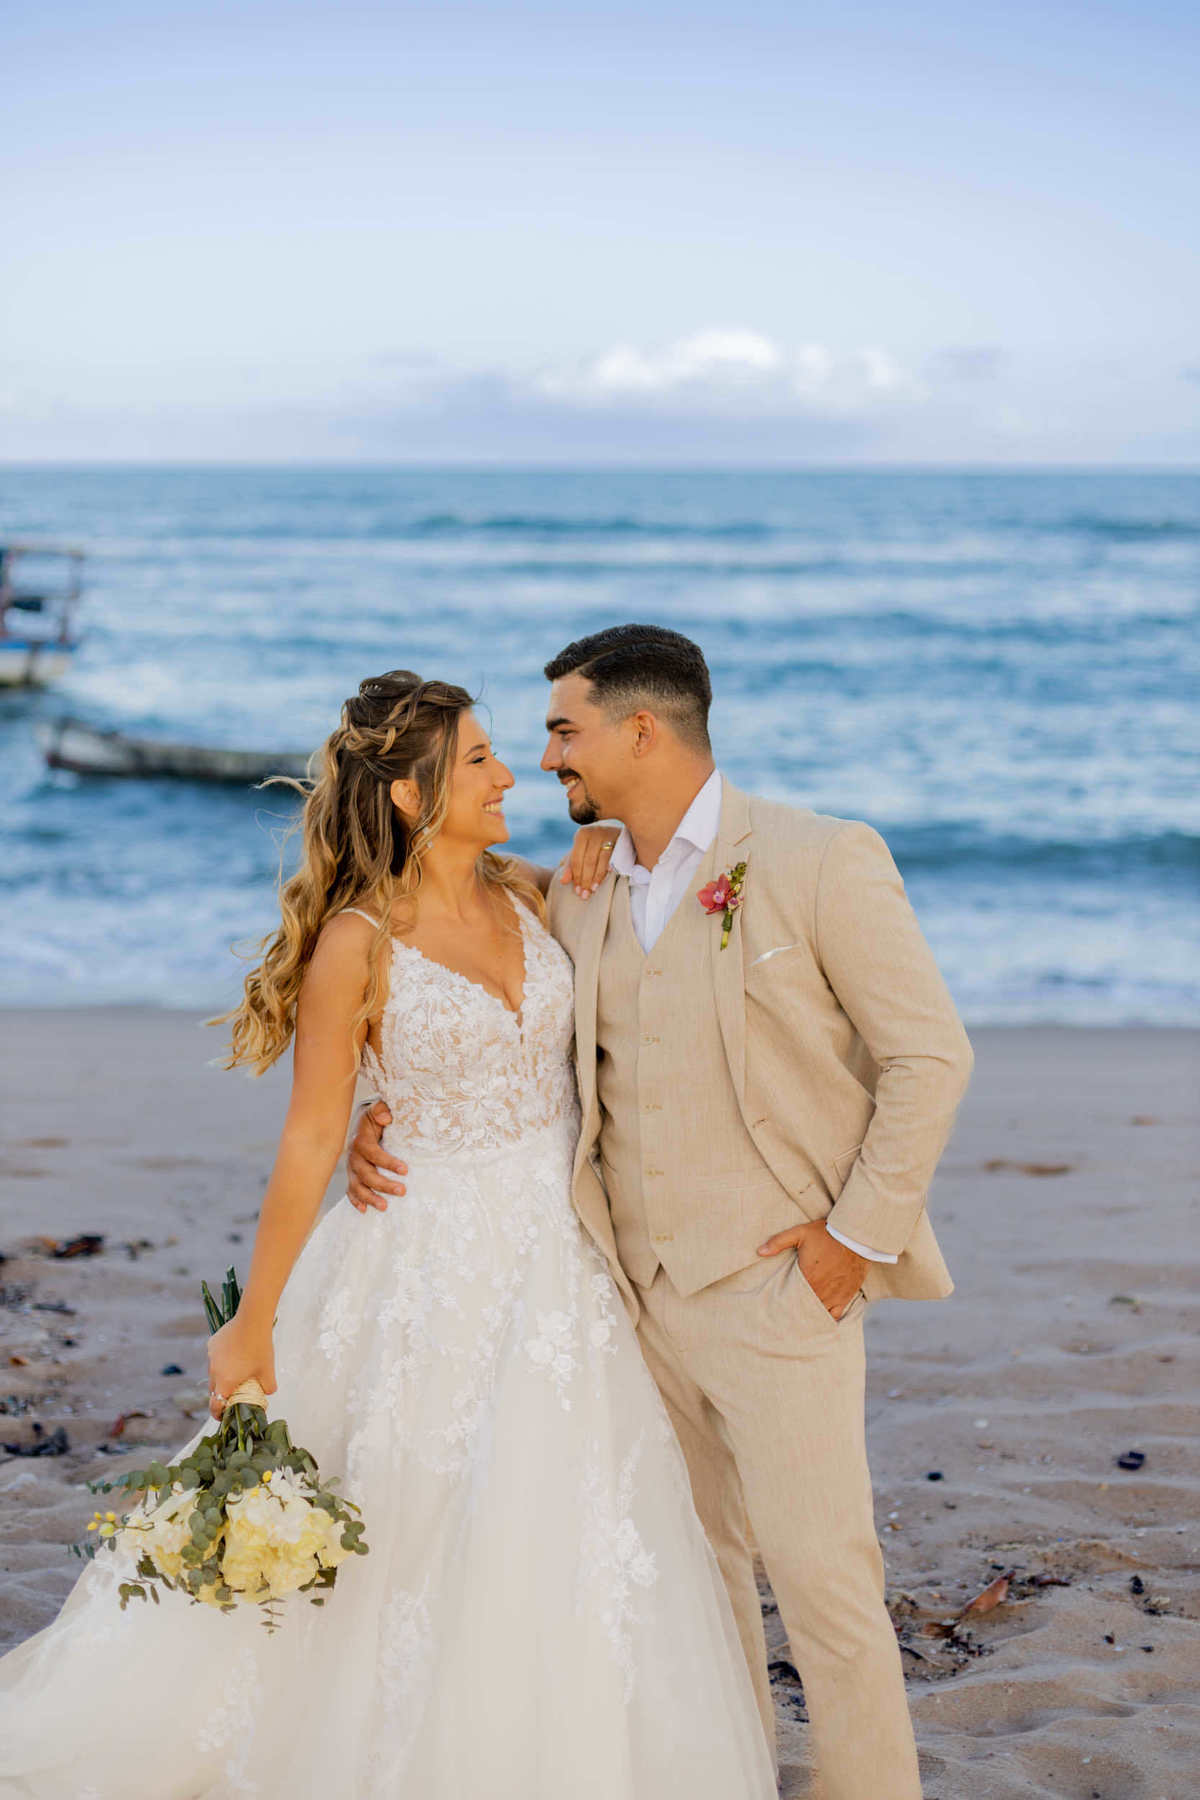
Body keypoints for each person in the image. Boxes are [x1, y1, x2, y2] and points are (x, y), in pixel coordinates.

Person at [0, 670, 777, 1800]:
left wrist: (604, 845)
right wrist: (250, 1328)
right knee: (411, 1533)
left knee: (570, 1528)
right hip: (420, 1259)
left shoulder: (528, 888)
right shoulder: (355, 945)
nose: (508, 774)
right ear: (413, 797)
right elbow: (312, 1143)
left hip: (561, 1265)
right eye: (478, 762)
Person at [349, 626, 975, 1800]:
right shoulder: (582, 882)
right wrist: (385, 1109)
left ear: (644, 728)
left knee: (827, 1583)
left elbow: (930, 1059)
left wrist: (853, 1242)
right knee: (698, 1578)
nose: (545, 762)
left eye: (564, 731)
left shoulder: (818, 858)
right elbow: (453, 945)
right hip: (624, 1291)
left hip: (780, 1285)